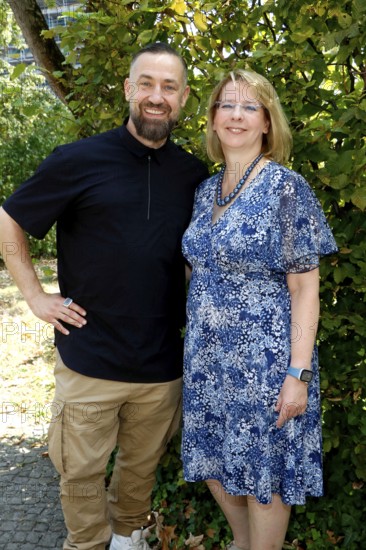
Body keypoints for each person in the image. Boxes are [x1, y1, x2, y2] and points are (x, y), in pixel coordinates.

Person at [0, 42, 208, 550]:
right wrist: (35, 296)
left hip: (161, 365)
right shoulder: (78, 160)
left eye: (169, 86)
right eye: (147, 84)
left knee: (138, 478)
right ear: (128, 90)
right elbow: (10, 218)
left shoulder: (195, 175)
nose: (156, 97)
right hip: (90, 359)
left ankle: (127, 540)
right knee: (79, 478)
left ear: (183, 98)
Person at [181, 69, 338, 550]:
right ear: (211, 119)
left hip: (265, 364)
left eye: (250, 107)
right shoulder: (206, 190)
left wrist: (299, 373)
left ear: (268, 122)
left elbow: (305, 289)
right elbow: (197, 267)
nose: (236, 115)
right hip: (208, 361)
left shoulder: (286, 189)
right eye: (227, 105)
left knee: (262, 473)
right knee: (213, 463)